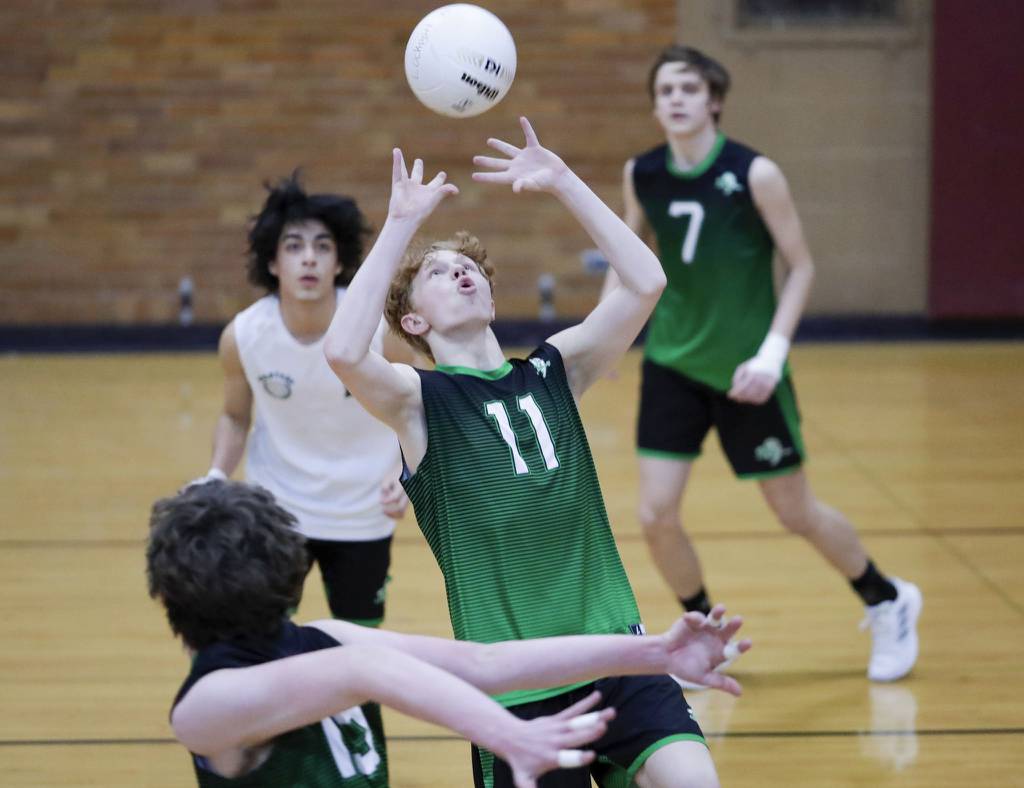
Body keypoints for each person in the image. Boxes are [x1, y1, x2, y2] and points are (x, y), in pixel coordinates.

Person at [324, 117, 732, 788]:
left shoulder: (554, 370)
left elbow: (646, 283)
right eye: (439, 272)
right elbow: (344, 352)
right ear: (414, 322)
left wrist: (565, 182)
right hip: (518, 689)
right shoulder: (418, 403)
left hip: (619, 656)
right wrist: (400, 224)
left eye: (469, 269)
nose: (461, 274)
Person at [599, 44, 921, 683]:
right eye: (665, 90)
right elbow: (626, 259)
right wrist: (603, 338)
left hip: (749, 371)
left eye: (689, 88)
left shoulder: (755, 173)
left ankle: (887, 599)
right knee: (654, 516)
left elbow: (800, 266)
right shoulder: (643, 173)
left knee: (793, 511)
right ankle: (704, 636)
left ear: (714, 99)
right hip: (672, 364)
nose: (677, 99)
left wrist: (772, 353)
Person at [147, 480, 750, 787]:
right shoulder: (204, 710)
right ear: (287, 563)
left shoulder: (324, 638)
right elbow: (365, 673)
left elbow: (484, 663)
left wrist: (655, 652)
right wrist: (509, 734)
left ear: (170, 596)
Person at [193, 172, 413, 629]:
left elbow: (417, 408)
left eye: (322, 247)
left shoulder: (376, 327)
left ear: (339, 262)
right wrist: (216, 473)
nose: (308, 259)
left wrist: (405, 470)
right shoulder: (244, 336)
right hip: (277, 510)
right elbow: (235, 417)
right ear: (272, 263)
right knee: (264, 640)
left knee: (361, 649)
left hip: (363, 511)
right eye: (294, 246)